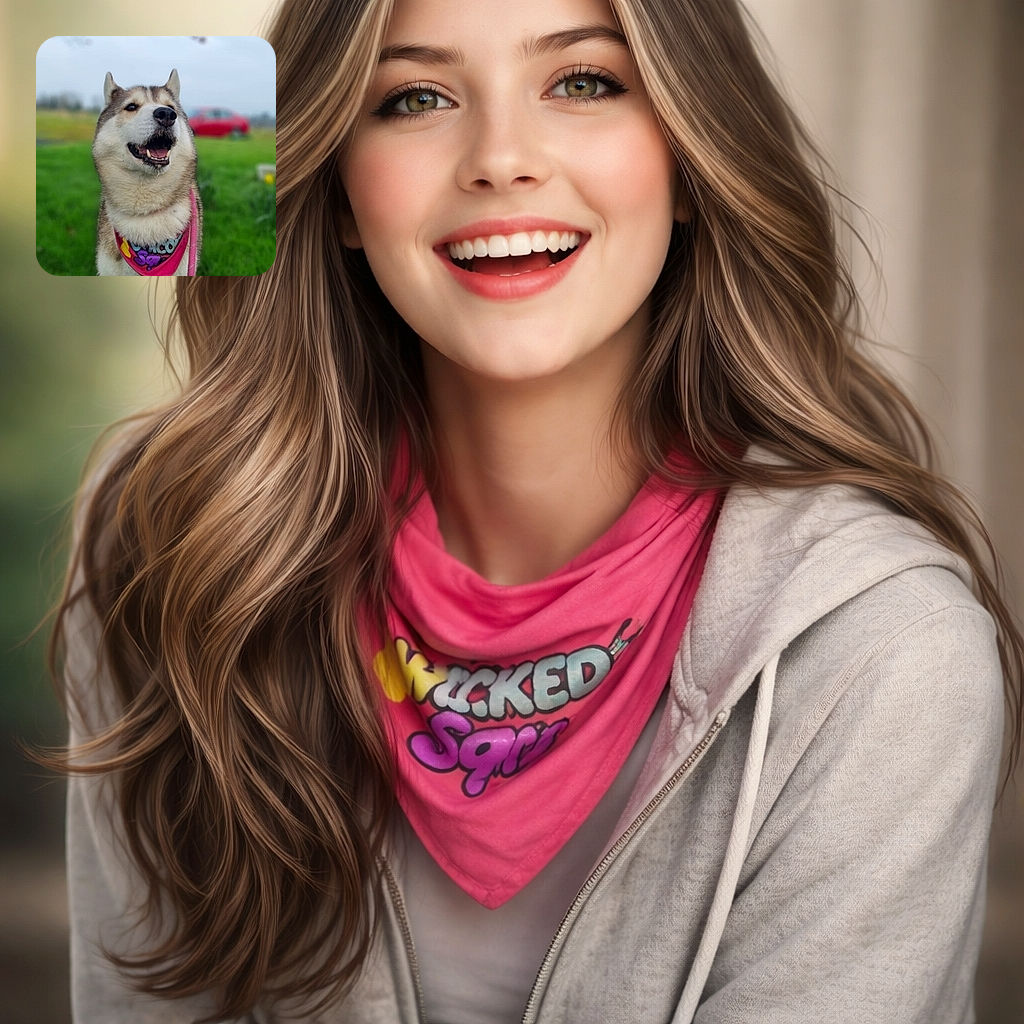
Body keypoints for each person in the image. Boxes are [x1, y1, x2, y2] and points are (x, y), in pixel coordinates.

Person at [52, 0, 1022, 1021]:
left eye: (584, 83)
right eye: (414, 97)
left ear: (689, 157)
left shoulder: (883, 644)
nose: (501, 159)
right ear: (337, 191)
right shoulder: (173, 543)